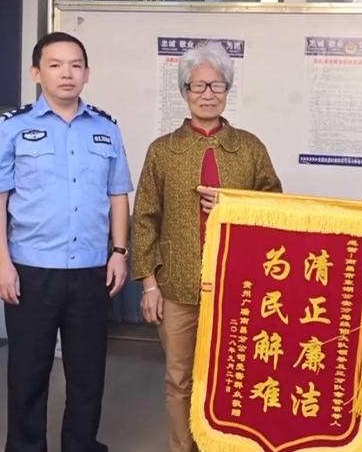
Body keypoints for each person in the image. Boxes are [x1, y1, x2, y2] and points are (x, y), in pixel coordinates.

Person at [0, 32, 133, 452]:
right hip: (32, 270)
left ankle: (81, 445)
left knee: (88, 372)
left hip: (91, 269)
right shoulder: (11, 128)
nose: (66, 73)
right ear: (37, 73)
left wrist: (119, 252)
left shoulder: (106, 128)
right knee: (28, 371)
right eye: (55, 65)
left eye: (75, 65)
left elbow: (118, 194)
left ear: (87, 73)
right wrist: (1, 263)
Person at [131, 41, 282, 452]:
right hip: (177, 288)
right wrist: (149, 285)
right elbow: (144, 218)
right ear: (184, 91)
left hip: (239, 289)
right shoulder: (163, 150)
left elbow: (276, 207)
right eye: (198, 86)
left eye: (217, 85)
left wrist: (235, 205)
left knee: (232, 380)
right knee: (179, 379)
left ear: (227, 90)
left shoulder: (249, 147)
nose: (208, 94)